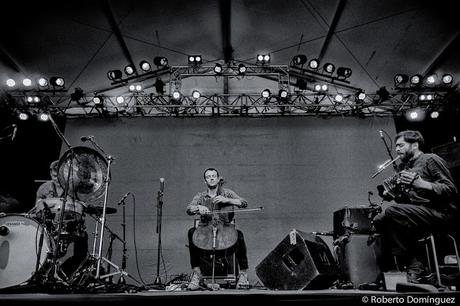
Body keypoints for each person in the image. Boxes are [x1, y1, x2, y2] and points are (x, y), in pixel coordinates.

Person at [372, 130, 458, 283]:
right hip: (420, 213)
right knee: (379, 219)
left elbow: (451, 189)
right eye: (396, 146)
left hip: (440, 212)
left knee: (392, 212)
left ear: (415, 145)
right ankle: (394, 267)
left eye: (401, 145)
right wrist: (393, 194)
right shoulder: (406, 168)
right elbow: (408, 203)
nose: (397, 149)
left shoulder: (430, 159)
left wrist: (422, 184)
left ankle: (415, 265)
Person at [186, 168, 250, 290]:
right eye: (208, 176)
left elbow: (244, 203)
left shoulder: (227, 193)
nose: (211, 178)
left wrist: (228, 200)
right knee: (191, 232)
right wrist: (198, 207)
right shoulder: (200, 196)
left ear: (218, 178)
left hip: (225, 231)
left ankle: (243, 274)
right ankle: (197, 274)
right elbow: (189, 209)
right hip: (205, 232)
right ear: (205, 181)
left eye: (213, 176)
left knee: (239, 234)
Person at [35, 160, 89, 277]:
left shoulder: (73, 188)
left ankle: (63, 272)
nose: (56, 179)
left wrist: (79, 204)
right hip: (49, 226)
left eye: (58, 176)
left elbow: (80, 207)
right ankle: (42, 271)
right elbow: (38, 209)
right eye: (54, 176)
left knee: (82, 242)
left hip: (69, 225)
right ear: (50, 174)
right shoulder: (43, 188)